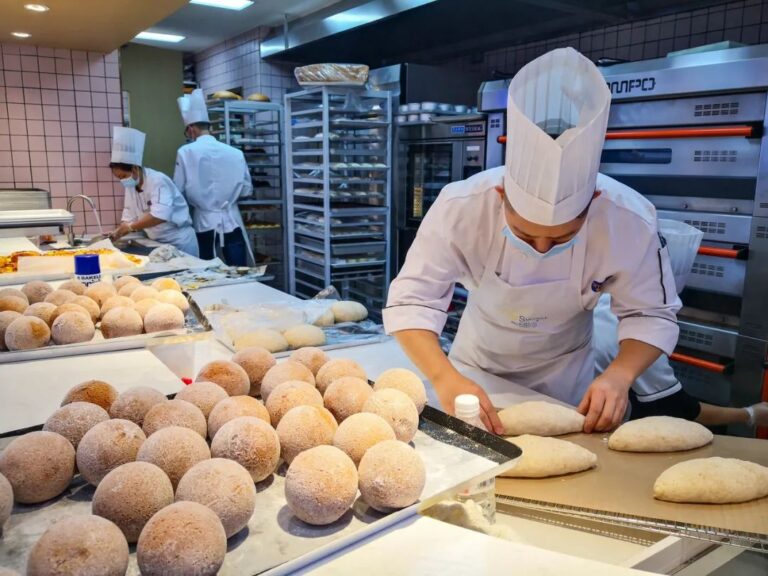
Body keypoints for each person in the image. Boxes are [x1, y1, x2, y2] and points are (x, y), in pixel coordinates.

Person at [384, 48, 681, 435]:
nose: (541, 248)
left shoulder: (629, 219)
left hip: (567, 383)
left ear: (593, 201)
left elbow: (652, 314)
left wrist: (619, 375)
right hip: (474, 372)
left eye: (563, 236)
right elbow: (412, 302)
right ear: (501, 195)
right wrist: (444, 377)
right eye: (525, 234)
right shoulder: (461, 206)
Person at [594, 220, 768, 429]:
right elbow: (676, 408)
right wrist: (750, 414)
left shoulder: (602, 300)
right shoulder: (642, 330)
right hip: (587, 415)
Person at [174, 88, 254, 266]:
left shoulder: (185, 152)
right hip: (232, 220)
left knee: (207, 273)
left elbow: (178, 191)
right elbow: (247, 190)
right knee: (239, 272)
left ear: (191, 129)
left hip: (204, 222)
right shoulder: (236, 153)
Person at [109, 126, 199, 257]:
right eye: (119, 178)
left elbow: (159, 216)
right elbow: (128, 215)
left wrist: (130, 227)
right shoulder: (131, 186)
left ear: (135, 169)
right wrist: (119, 231)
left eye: (123, 176)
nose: (122, 180)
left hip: (179, 241)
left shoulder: (158, 180)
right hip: (156, 243)